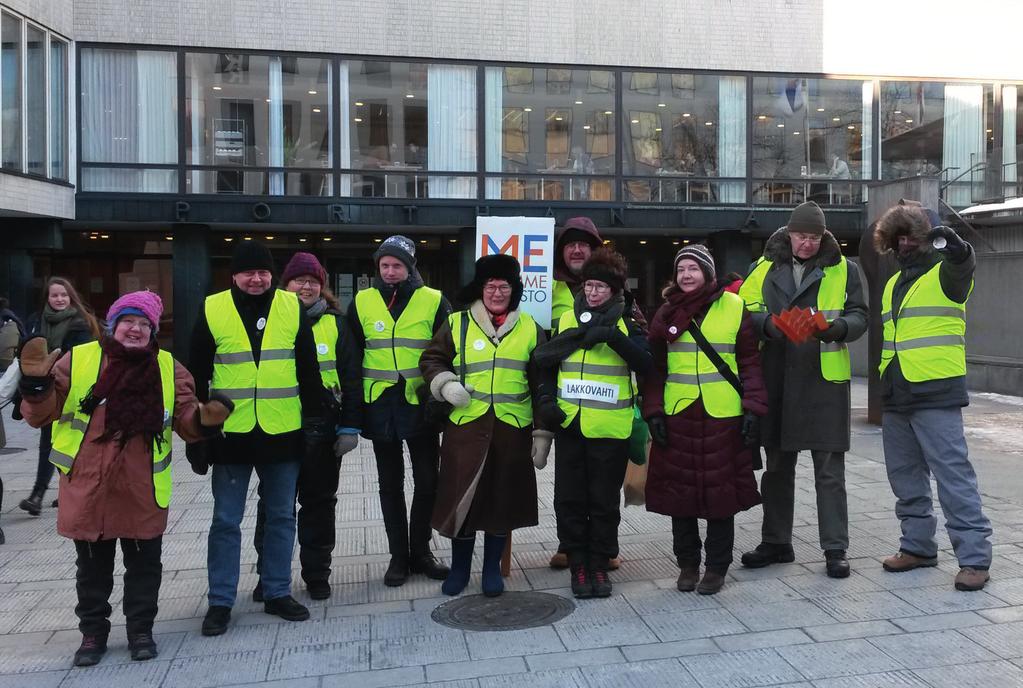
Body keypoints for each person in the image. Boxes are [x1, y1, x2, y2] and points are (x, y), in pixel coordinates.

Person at [18, 291, 233, 666]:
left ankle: (140, 631)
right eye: (128, 321)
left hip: (141, 485)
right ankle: (93, 634)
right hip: (89, 484)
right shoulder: (80, 359)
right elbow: (41, 415)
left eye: (144, 324)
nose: (135, 329)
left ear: (152, 331)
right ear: (113, 324)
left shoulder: (168, 367)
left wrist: (204, 421)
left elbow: (185, 416)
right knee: (91, 570)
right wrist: (37, 388)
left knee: (145, 568)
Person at [189, 241, 324, 636]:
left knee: (282, 516)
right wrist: (196, 434)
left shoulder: (290, 306)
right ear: (233, 275)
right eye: (248, 272)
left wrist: (315, 423)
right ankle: (220, 602)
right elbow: (194, 374)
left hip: (283, 430)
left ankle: (277, 592)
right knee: (226, 521)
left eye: (263, 272)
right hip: (230, 435)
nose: (256, 279)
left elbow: (308, 368)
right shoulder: (214, 307)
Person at [737, 201, 868, 578]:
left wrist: (837, 328)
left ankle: (835, 548)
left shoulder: (845, 269)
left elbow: (860, 314)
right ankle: (776, 541)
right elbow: (743, 311)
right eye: (801, 236)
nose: (807, 243)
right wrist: (768, 325)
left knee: (829, 469)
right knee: (777, 466)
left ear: (824, 236)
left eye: (814, 237)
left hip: (823, 380)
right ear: (789, 233)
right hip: (776, 376)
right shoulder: (761, 268)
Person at [873, 202, 992, 591]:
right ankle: (918, 546)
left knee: (953, 476)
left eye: (912, 235)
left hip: (936, 392)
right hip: (896, 394)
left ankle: (974, 558)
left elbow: (963, 264)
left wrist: (953, 245)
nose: (905, 243)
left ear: (928, 237)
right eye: (899, 237)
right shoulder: (893, 284)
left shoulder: (946, 273)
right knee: (905, 477)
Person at [420, 254, 549, 597]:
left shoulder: (530, 327)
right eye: (490, 285)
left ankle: (491, 568)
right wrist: (447, 385)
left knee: (501, 501)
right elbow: (432, 358)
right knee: (462, 499)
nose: (496, 292)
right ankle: (460, 569)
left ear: (514, 290)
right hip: (466, 428)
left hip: (512, 429)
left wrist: (542, 433)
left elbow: (541, 384)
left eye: (503, 286)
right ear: (480, 288)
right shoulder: (457, 322)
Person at [643, 245, 768, 595]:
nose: (686, 274)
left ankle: (716, 567)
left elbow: (749, 363)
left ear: (708, 274)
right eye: (681, 268)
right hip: (678, 415)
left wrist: (753, 408)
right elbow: (655, 371)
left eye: (693, 268)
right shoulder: (665, 313)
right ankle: (687, 565)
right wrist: (653, 412)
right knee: (679, 498)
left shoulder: (734, 307)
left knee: (720, 498)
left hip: (722, 417)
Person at [532, 249, 652, 598]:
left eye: (600, 286)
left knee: (602, 500)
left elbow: (647, 364)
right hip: (571, 424)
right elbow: (546, 362)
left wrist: (615, 338)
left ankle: (600, 562)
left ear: (614, 290)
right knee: (569, 498)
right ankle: (578, 561)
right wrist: (546, 401)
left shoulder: (626, 321)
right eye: (588, 285)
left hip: (610, 428)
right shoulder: (568, 319)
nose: (593, 292)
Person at [251, 252, 363, 601]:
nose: (306, 286)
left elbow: (352, 377)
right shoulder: (266, 320)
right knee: (272, 505)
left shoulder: (337, 324)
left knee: (319, 503)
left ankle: (317, 573)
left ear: (322, 287)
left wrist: (350, 427)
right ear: (285, 284)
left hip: (324, 430)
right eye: (299, 279)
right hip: (278, 426)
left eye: (313, 281)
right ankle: (270, 575)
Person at [347, 235, 452, 586]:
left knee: (428, 482)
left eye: (397, 265)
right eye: (384, 265)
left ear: (410, 267)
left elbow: (449, 351)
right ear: (377, 267)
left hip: (421, 404)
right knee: (389, 484)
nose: (390, 271)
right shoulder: (362, 301)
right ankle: (398, 556)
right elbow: (352, 354)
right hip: (379, 406)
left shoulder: (433, 300)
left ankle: (421, 551)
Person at [19, 278, 101, 516]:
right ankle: (42, 494)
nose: (59, 299)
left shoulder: (81, 322)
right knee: (50, 442)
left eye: (64, 295)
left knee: (64, 443)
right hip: (45, 391)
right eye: (54, 296)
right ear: (47, 298)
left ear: (71, 296)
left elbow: (81, 359)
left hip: (71, 391)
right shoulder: (36, 322)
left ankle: (48, 493)